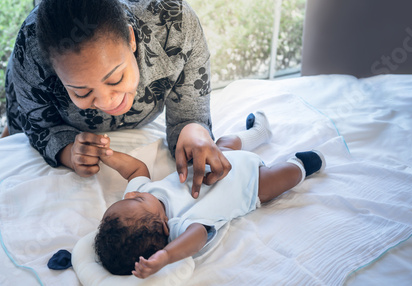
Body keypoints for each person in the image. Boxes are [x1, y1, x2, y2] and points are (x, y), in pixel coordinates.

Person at [2, 0, 230, 198]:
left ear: (131, 39)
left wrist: (192, 129)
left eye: (115, 79)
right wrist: (68, 152)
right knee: (8, 144)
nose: (107, 102)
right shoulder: (29, 53)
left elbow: (190, 114)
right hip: (41, 106)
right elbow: (39, 126)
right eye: (82, 91)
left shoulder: (175, 24)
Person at [93, 112, 326, 278]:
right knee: (279, 178)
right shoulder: (177, 225)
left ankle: (258, 133)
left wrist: (108, 156)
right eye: (136, 200)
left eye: (127, 198)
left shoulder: (141, 194)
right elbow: (199, 235)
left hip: (216, 162)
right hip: (249, 185)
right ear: (163, 227)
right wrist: (166, 256)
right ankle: (301, 165)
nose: (131, 193)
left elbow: (136, 170)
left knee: (224, 143)